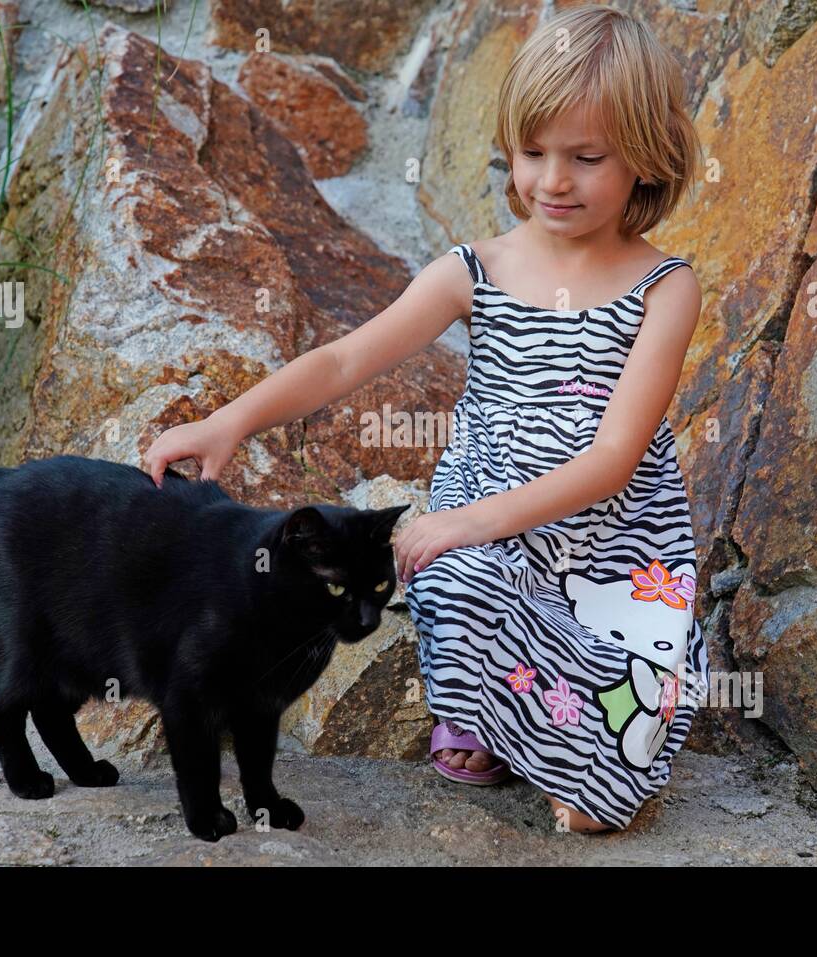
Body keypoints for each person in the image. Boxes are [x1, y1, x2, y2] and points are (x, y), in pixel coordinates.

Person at [143, 4, 709, 834]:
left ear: (647, 158)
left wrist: (464, 520)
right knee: (451, 568)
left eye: (587, 158)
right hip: (494, 542)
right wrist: (233, 420)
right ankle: (491, 713)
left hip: (612, 552)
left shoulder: (664, 286)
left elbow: (615, 457)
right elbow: (344, 360)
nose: (553, 180)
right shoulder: (474, 271)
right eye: (533, 153)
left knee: (606, 788)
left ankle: (569, 744)